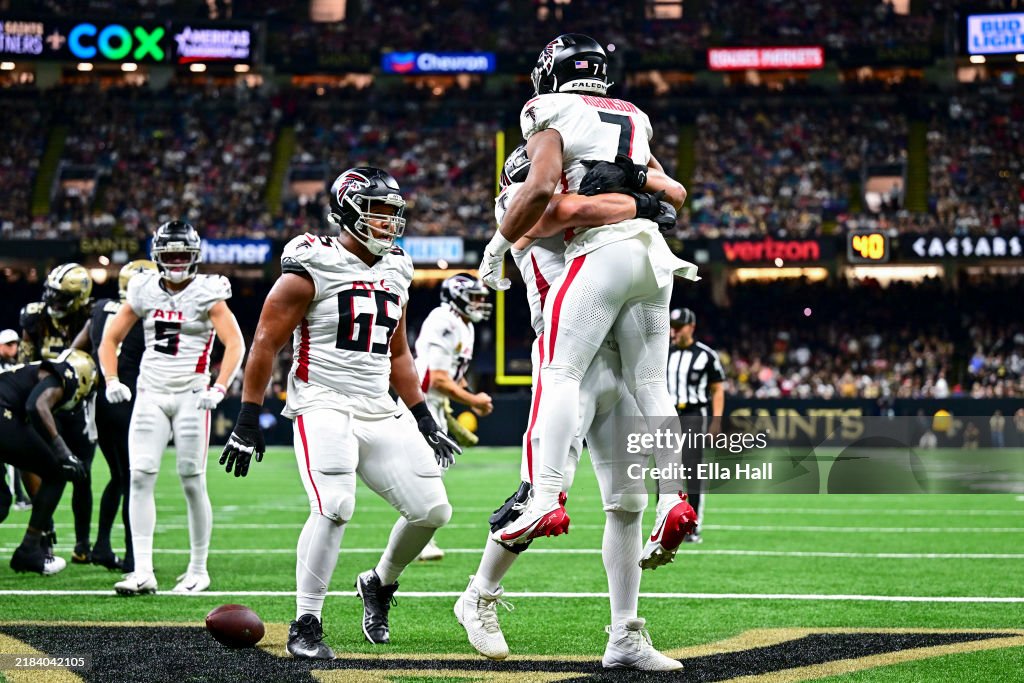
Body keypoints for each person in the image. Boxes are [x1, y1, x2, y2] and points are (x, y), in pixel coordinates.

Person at [454, 145, 684, 671]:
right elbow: (565, 212)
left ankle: (625, 633)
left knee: (628, 502)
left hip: (618, 361)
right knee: (540, 495)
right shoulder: (523, 198)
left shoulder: (593, 202)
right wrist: (638, 199)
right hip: (568, 363)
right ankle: (479, 596)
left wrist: (641, 190)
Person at [218, 167, 460, 659]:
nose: (390, 222)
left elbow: (398, 353)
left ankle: (379, 583)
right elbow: (266, 342)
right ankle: (306, 623)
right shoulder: (313, 262)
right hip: (323, 400)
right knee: (334, 504)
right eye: (380, 210)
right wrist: (247, 417)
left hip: (378, 407)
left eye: (395, 213)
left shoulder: (397, 267)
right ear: (348, 210)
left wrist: (424, 417)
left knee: (433, 510)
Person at [480, 34, 698, 571]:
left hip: (598, 275)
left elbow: (546, 196)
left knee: (559, 376)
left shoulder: (548, 115)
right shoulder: (631, 114)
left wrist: (496, 247)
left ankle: (544, 494)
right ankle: (675, 496)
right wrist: (639, 195)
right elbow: (672, 195)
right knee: (654, 385)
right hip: (653, 259)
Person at [99, 221, 244, 595]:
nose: (177, 262)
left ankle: (199, 568)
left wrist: (220, 386)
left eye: (183, 255)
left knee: (192, 481)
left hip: (192, 396)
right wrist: (112, 380)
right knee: (140, 476)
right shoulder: (144, 288)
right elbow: (109, 338)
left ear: (194, 256)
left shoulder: (208, 292)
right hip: (150, 392)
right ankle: (142, 570)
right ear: (157, 257)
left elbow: (235, 343)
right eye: (170, 255)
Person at [72, 259, 158, 571]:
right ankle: (135, 558)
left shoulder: (100, 307)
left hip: (100, 402)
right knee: (135, 480)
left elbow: (76, 350)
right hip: (129, 400)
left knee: (119, 477)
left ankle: (102, 547)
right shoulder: (145, 312)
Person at [411, 273, 494, 561]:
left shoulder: (463, 325)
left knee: (436, 470)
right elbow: (438, 379)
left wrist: (469, 396)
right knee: (428, 472)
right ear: (457, 296)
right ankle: (418, 540)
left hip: (434, 404)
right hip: (420, 405)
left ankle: (422, 539)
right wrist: (473, 400)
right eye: (476, 297)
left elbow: (453, 377)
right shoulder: (443, 320)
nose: (481, 302)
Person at [18, 263, 96, 564]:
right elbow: (26, 360)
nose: (54, 302)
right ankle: (44, 532)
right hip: (42, 403)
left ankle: (82, 544)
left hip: (77, 404)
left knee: (82, 474)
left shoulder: (90, 317)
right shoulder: (35, 317)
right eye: (52, 294)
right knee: (37, 467)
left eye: (62, 296)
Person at [0, 349, 93, 574]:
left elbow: (24, 460)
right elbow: (36, 406)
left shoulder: (27, 375)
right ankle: (29, 551)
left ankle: (30, 548)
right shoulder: (61, 376)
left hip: (6, 414)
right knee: (57, 470)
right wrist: (63, 452)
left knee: (0, 500)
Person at [666, 307, 725, 545]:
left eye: (679, 327)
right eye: (673, 326)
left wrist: (716, 420)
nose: (674, 332)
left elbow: (717, 388)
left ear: (691, 327)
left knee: (692, 470)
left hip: (693, 413)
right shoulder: (663, 353)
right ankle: (666, 522)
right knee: (665, 470)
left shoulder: (706, 355)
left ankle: (693, 526)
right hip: (667, 414)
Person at [2, 329, 34, 511]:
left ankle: (20, 497)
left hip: (11, 418)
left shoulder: (17, 365)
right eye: (9, 345)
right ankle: (20, 497)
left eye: (15, 344)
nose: (14, 348)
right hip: (4, 419)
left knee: (16, 461)